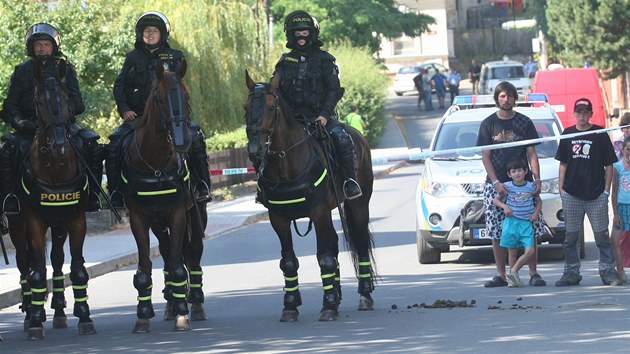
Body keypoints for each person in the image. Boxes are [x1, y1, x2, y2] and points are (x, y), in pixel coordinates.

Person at [107, 11, 212, 209]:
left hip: (171, 116)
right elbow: (119, 86)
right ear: (141, 34)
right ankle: (116, 193)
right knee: (114, 145)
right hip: (138, 118)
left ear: (162, 34)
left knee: (196, 138)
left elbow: (180, 88)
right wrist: (124, 109)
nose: (150, 34)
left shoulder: (175, 56)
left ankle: (202, 185)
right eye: (147, 30)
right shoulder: (132, 57)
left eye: (154, 30)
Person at [0, 23, 103, 213]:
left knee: (92, 146)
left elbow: (77, 102)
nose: (42, 48)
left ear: (54, 46)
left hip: (62, 125)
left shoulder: (65, 68)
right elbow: (10, 104)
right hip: (29, 126)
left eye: (46, 44)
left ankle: (93, 195)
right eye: (38, 45)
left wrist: (62, 117)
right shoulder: (22, 70)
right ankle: (9, 198)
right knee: (7, 151)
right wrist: (20, 123)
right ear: (31, 47)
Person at [271, 10, 361, 200]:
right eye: (297, 33)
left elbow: (333, 91)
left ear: (312, 33)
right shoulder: (285, 61)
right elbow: (274, 89)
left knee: (341, 137)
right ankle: (264, 186)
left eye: (305, 32)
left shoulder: (325, 60)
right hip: (292, 120)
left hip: (320, 118)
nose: (301, 37)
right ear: (290, 35)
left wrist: (325, 115)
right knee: (267, 141)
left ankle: (350, 181)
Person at [477, 81, 547, 288]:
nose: (506, 100)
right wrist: (497, 182)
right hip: (497, 185)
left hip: (523, 184)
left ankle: (533, 273)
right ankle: (501, 274)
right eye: (502, 96)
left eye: (509, 96)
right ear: (497, 99)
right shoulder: (488, 124)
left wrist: (537, 179)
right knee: (498, 232)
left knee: (530, 228)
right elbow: (486, 157)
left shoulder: (525, 122)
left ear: (515, 98)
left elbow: (532, 153)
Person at [554, 98, 623, 286]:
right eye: (579, 111)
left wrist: (606, 191)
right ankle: (571, 272)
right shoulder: (567, 134)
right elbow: (563, 164)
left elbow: (609, 165)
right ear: (574, 113)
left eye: (586, 112)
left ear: (591, 113)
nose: (582, 115)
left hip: (596, 194)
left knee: (601, 237)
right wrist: (562, 189)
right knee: (571, 237)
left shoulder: (600, 134)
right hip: (572, 193)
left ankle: (608, 272)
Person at [493, 158, 542, 287]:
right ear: (509, 174)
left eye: (519, 170)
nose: (517, 174)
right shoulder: (507, 186)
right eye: (513, 171)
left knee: (530, 251)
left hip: (526, 223)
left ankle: (514, 271)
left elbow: (538, 201)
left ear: (525, 171)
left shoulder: (531, 186)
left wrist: (536, 213)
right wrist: (505, 207)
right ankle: (513, 279)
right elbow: (495, 200)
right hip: (511, 223)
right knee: (512, 253)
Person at [611, 136, 630, 284]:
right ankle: (620, 271)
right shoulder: (617, 167)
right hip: (622, 208)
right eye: (628, 149)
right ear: (623, 149)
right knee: (615, 240)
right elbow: (615, 190)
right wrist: (616, 212)